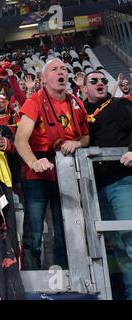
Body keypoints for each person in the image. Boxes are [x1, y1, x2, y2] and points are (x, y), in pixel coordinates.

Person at [15, 58, 90, 270]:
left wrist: (76, 142)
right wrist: (33, 162)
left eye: (64, 69)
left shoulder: (76, 102)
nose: (61, 72)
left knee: (67, 229)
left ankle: (68, 275)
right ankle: (32, 280)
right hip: (38, 174)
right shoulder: (35, 101)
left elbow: (86, 137)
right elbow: (20, 139)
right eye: (55, 69)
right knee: (34, 232)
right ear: (44, 78)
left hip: (67, 172)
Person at [83, 70, 132, 299]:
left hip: (123, 182)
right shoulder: (79, 112)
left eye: (103, 80)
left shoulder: (119, 105)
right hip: (95, 189)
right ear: (85, 88)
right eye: (94, 81)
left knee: (130, 241)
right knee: (116, 248)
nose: (100, 83)